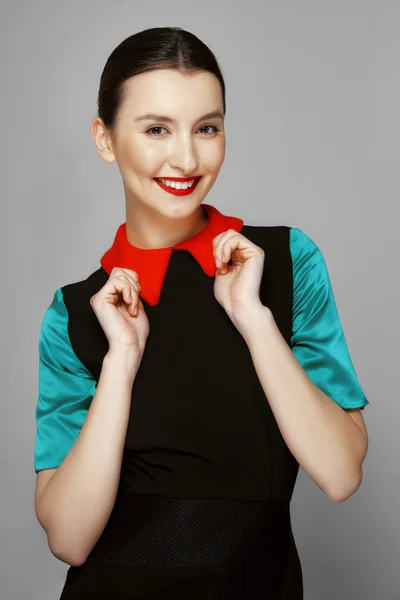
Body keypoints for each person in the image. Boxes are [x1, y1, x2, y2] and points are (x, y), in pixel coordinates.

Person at [33, 26, 369, 600]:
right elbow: (69, 538)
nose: (186, 157)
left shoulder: (285, 263)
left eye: (207, 128)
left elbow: (340, 475)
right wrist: (122, 361)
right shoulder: (77, 312)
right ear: (105, 138)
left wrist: (254, 318)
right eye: (156, 129)